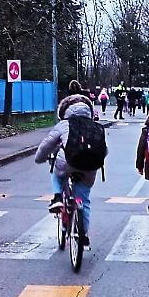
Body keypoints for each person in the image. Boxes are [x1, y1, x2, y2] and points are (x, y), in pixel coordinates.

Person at [36, 91, 101, 245]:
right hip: (90, 166)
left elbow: (47, 145)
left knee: (57, 173)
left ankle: (58, 197)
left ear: (66, 110)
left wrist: (40, 158)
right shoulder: (95, 126)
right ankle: (83, 234)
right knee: (83, 200)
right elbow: (102, 150)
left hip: (67, 163)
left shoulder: (63, 124)